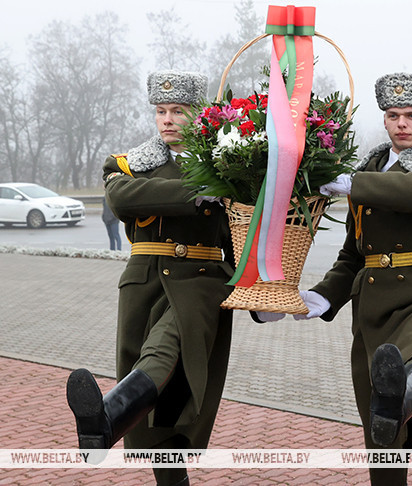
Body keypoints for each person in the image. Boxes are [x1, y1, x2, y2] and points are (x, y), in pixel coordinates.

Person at [65, 70, 264, 486]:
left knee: (163, 351)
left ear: (199, 115)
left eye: (178, 110)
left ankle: (106, 417)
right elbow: (122, 198)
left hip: (202, 283)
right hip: (145, 284)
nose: (168, 119)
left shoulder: (226, 165)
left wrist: (262, 291)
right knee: (161, 418)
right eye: (161, 110)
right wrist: (198, 193)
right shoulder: (128, 164)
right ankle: (125, 436)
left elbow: (241, 237)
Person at [296, 72, 412, 485]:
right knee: (382, 442)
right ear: (384, 120)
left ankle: (399, 394)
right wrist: (323, 297)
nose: (402, 123)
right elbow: (353, 254)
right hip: (373, 308)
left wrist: (355, 184)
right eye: (393, 115)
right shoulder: (372, 166)